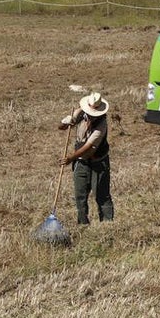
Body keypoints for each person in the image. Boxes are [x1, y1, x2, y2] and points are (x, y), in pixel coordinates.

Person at [58, 91, 113, 224]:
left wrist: (71, 158)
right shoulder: (80, 113)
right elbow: (61, 128)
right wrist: (66, 121)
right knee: (80, 195)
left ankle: (107, 225)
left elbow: (88, 146)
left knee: (101, 195)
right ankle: (82, 224)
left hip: (98, 163)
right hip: (82, 162)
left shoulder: (102, 125)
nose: (91, 116)